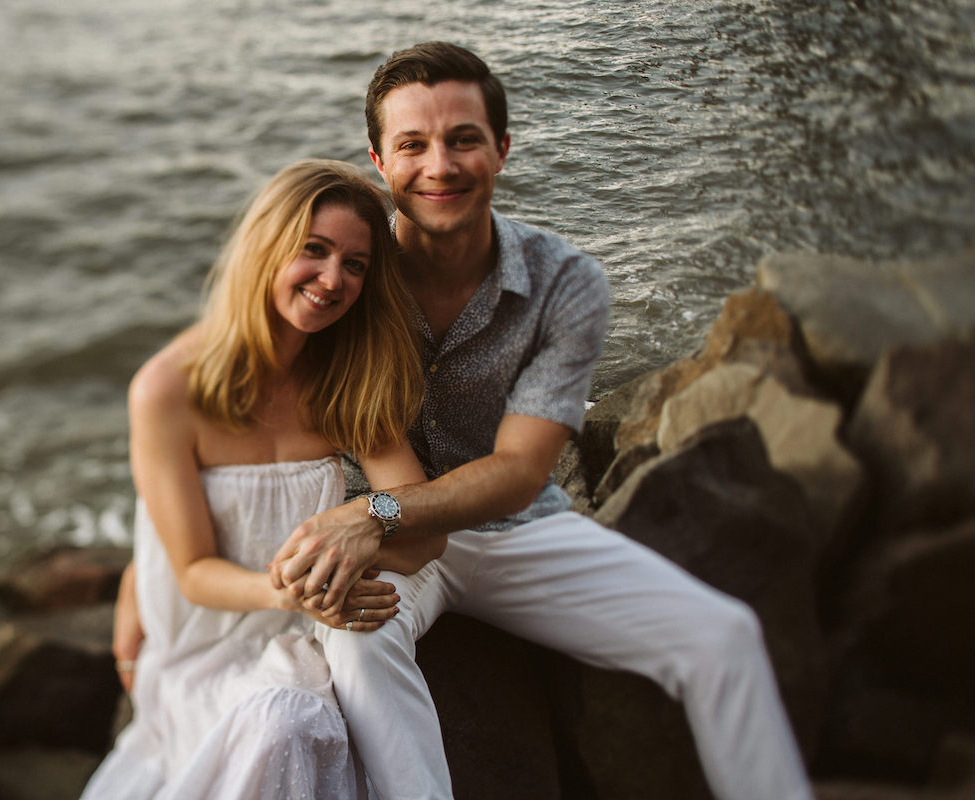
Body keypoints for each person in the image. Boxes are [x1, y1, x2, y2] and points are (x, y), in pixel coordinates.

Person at [265, 43, 815, 800]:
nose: (440, 166)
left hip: (513, 530)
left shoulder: (565, 282)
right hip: (389, 546)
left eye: (463, 138)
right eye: (412, 145)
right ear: (379, 160)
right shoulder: (350, 276)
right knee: (357, 649)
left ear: (502, 148)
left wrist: (374, 510)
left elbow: (522, 474)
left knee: (725, 637)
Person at [82, 159, 444, 800]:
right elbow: (192, 567)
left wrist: (366, 530)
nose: (333, 280)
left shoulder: (345, 376)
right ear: (266, 244)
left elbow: (423, 525)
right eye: (315, 250)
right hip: (204, 641)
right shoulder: (169, 389)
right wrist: (291, 592)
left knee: (282, 722)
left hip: (292, 639)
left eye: (355, 264)